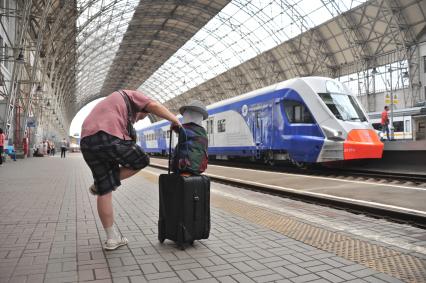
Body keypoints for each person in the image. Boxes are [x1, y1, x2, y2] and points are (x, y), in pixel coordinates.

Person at [80, 89, 181, 250]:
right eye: (142, 116)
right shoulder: (131, 95)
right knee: (142, 159)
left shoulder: (113, 105)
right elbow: (153, 104)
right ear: (140, 108)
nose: (138, 120)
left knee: (104, 190)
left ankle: (112, 238)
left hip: (86, 141)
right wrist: (174, 119)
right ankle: (102, 182)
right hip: (108, 135)